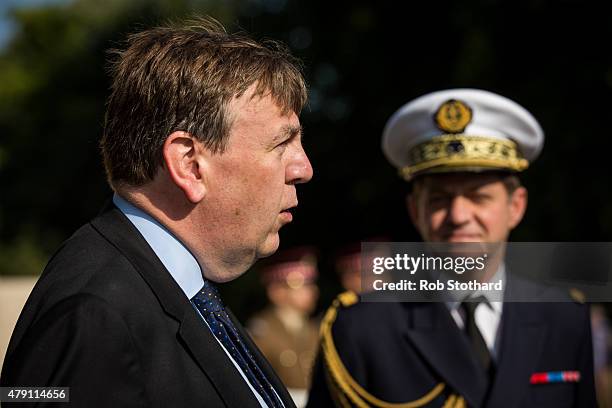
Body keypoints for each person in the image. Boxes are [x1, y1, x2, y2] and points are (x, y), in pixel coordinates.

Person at [0, 17, 313, 407]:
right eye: (282, 143)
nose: (304, 169)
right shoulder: (94, 314)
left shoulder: (175, 290)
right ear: (190, 165)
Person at [307, 89, 596, 407]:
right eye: (439, 199)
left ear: (516, 206)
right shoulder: (362, 327)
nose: (458, 216)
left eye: (478, 196)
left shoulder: (564, 317)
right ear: (415, 211)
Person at [248, 246, 320, 406]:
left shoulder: (317, 330)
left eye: (311, 284)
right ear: (276, 291)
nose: (313, 291)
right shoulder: (261, 333)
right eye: (302, 285)